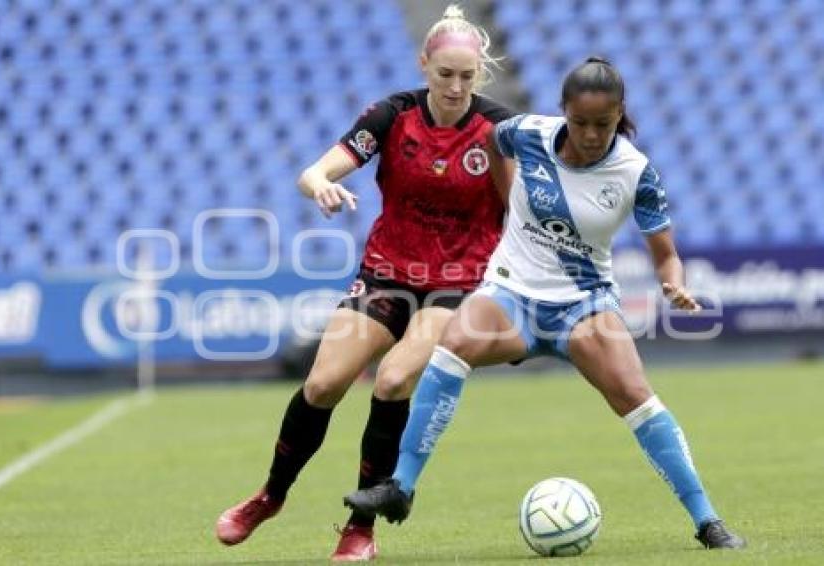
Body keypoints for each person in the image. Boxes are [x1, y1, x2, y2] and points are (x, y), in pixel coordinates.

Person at [344, 56, 746, 551]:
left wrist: (674, 284)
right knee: (454, 344)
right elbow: (493, 142)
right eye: (581, 123)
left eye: (604, 124)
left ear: (620, 114)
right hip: (512, 291)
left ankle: (707, 520)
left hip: (584, 304)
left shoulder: (635, 173)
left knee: (637, 397)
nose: (593, 134)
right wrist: (507, 198)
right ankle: (400, 487)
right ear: (563, 113)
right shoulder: (527, 133)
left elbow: (666, 256)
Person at [215, 6, 516, 561]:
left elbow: (521, 210)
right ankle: (270, 496)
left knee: (395, 378)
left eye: (466, 77)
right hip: (386, 271)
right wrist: (322, 185)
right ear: (423, 64)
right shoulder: (392, 114)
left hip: (458, 281)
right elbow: (314, 172)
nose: (454, 87)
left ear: (480, 75)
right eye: (443, 74)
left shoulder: (498, 129)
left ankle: (360, 526)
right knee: (323, 385)